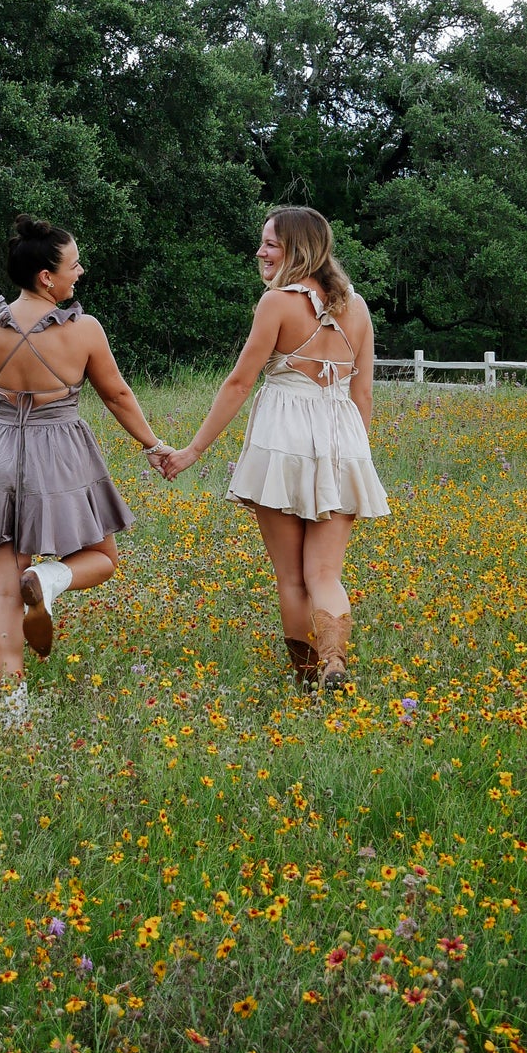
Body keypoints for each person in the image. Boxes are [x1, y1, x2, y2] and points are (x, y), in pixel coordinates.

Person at [0, 215, 169, 720]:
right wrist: (153, 444)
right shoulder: (83, 329)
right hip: (61, 450)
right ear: (47, 277)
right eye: (73, 265)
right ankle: (49, 579)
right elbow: (116, 394)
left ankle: (12, 707)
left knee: (2, 589)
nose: (80, 271)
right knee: (103, 558)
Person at [158, 205, 389, 692]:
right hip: (342, 440)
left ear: (298, 250)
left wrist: (193, 451)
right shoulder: (359, 307)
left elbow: (240, 383)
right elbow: (362, 394)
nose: (260, 251)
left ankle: (307, 682)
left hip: (282, 440)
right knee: (325, 572)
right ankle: (334, 660)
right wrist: (352, 455)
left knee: (291, 577)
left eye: (271, 244)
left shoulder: (277, 304)